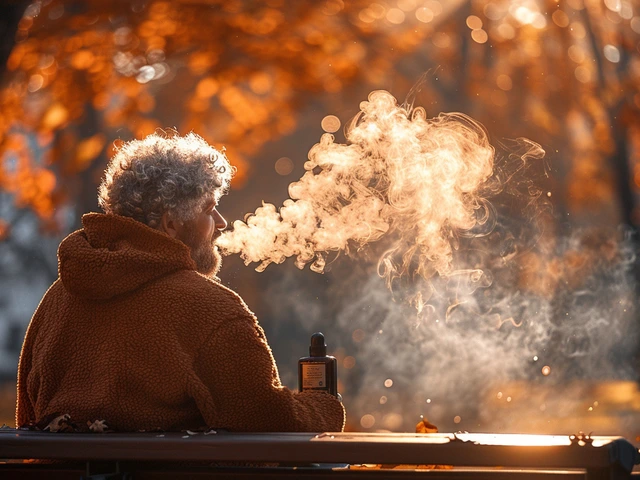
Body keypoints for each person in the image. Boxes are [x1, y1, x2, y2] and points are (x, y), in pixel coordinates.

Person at [15, 132, 345, 433]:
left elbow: (28, 416)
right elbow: (264, 417)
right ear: (171, 225)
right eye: (209, 209)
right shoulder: (208, 307)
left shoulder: (58, 298)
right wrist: (322, 405)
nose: (221, 222)